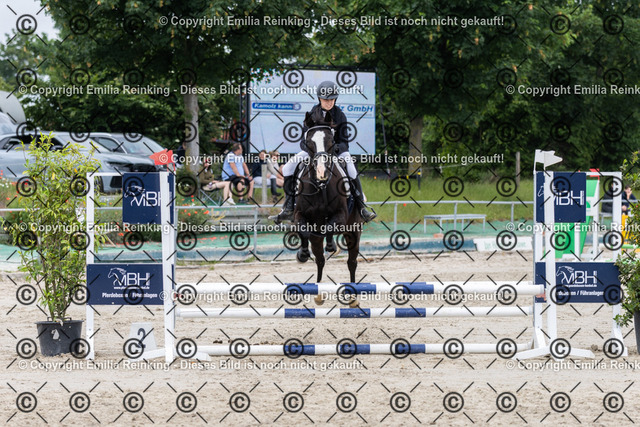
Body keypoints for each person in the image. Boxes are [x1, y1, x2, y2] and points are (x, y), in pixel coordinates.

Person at [270, 80, 376, 223]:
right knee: (288, 167)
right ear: (319, 98)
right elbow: (303, 141)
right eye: (326, 99)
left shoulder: (340, 115)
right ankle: (288, 207)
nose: (329, 102)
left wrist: (334, 149)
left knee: (351, 168)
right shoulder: (311, 114)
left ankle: (362, 207)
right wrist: (312, 150)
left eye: (332, 99)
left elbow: (345, 143)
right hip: (314, 152)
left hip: (336, 152)